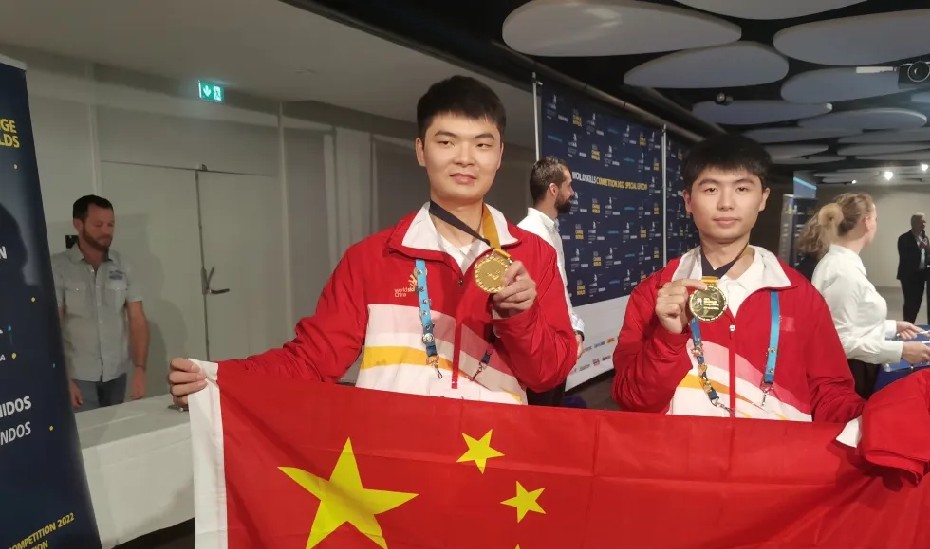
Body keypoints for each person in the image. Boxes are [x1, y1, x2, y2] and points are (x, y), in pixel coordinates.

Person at [167, 76, 575, 407]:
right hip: (393, 461)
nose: (466, 158)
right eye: (447, 141)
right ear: (421, 151)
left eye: (482, 144)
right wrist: (220, 379)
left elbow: (549, 374)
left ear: (499, 155)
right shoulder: (370, 259)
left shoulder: (532, 254)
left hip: (494, 460)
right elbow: (312, 360)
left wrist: (520, 318)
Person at [611, 134, 930, 433]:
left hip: (777, 471)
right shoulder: (656, 293)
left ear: (763, 198)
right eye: (711, 188)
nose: (726, 203)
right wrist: (667, 340)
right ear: (688, 201)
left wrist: (899, 417)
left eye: (742, 188)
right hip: (684, 469)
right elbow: (633, 400)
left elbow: (829, 395)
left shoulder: (798, 294)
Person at [808, 195, 930, 398]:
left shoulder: (842, 264)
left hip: (854, 370)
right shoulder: (843, 272)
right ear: (867, 222)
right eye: (876, 219)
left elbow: (851, 324)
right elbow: (837, 341)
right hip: (850, 377)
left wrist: (892, 327)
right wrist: (901, 350)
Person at [52, 195, 149, 411]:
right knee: (86, 431)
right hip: (78, 376)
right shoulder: (58, 268)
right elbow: (51, 328)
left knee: (118, 428)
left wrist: (140, 368)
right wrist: (62, 378)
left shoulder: (122, 265)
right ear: (78, 224)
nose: (106, 231)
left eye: (110, 224)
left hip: (117, 374)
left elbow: (137, 320)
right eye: (98, 225)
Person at [517, 156, 585, 407]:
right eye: (569, 185)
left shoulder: (551, 232)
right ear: (553, 190)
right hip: (542, 354)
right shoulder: (528, 234)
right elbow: (534, 304)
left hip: (558, 345)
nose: (572, 193)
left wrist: (574, 330)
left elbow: (560, 291)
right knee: (541, 417)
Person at [897, 213, 930, 323]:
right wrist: (919, 248)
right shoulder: (904, 238)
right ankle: (907, 324)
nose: (924, 224)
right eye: (922, 221)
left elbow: (928, 257)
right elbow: (905, 258)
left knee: (917, 302)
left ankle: (911, 323)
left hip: (921, 275)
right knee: (909, 302)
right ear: (914, 223)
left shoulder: (925, 238)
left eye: (925, 221)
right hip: (908, 276)